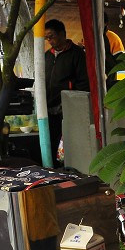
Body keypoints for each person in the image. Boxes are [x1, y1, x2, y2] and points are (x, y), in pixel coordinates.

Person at [44, 19, 90, 162]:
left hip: (67, 108)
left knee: (66, 145)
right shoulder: (47, 55)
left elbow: (84, 82)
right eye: (47, 37)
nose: (49, 40)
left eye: (51, 36)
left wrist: (75, 104)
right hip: (48, 106)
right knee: (50, 142)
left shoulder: (77, 54)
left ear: (62, 34)